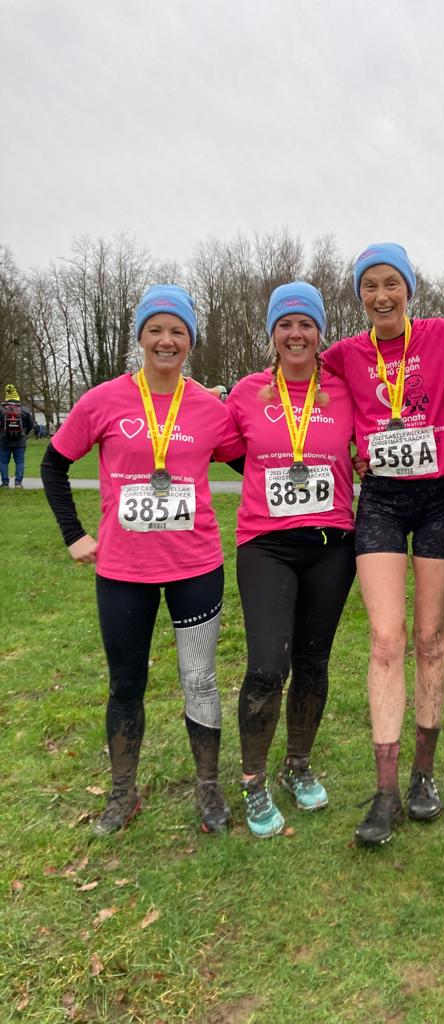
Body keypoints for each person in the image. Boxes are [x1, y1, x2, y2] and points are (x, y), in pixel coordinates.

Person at [41, 285, 244, 836]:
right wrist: (73, 535)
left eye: (177, 331)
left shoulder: (208, 406)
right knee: (126, 682)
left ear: (190, 343)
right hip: (123, 572)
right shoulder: (102, 401)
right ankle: (123, 793)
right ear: (139, 338)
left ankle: (208, 788)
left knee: (199, 680)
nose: (166, 340)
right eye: (155, 329)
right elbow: (53, 465)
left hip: (196, 566)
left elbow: (258, 461)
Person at [322, 244, 444, 845]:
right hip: (380, 497)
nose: (381, 296)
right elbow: (292, 371)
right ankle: (384, 791)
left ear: (410, 288)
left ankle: (423, 776)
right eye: (369, 287)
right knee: (387, 640)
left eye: (392, 284)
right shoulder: (343, 356)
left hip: (438, 496)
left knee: (431, 639)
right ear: (359, 296)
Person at [226, 282, 357, 839]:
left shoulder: (347, 389)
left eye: (306, 323)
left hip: (332, 544)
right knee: (266, 666)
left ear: (320, 331)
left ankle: (298, 765)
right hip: (267, 546)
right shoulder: (246, 393)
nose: (296, 333)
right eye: (285, 324)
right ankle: (253, 781)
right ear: (272, 334)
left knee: (313, 661)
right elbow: (233, 454)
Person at [1, 384, 34, 488]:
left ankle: (5, 483)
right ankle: (18, 483)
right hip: (20, 441)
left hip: (4, 441)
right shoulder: (24, 410)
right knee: (19, 462)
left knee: (3, 462)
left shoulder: (1, 410)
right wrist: (24, 433)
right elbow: (31, 425)